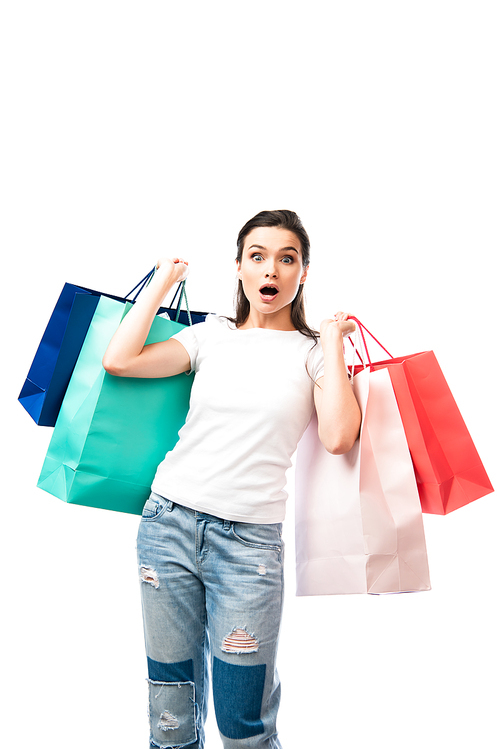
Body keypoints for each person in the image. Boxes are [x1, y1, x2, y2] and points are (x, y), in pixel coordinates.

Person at [102, 210, 361, 749]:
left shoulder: (312, 354)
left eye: (286, 259)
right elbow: (120, 360)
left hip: (249, 549)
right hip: (167, 526)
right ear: (239, 268)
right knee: (170, 718)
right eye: (258, 256)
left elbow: (339, 436)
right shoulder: (211, 336)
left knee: (245, 724)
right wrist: (162, 283)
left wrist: (333, 342)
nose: (271, 269)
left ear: (302, 273)